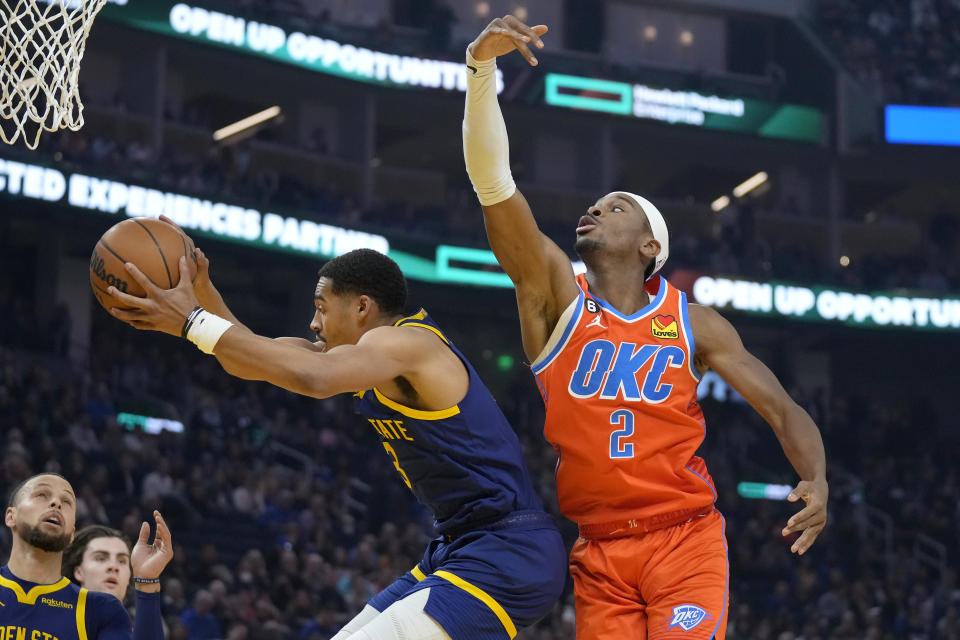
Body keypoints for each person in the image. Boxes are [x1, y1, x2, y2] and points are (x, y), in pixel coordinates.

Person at [462, 15, 829, 640]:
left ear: (649, 244)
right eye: (594, 204)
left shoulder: (694, 325)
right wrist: (480, 74)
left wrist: (817, 479)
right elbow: (495, 187)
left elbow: (782, 407)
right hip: (599, 550)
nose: (594, 209)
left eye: (617, 206)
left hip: (683, 538)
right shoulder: (554, 298)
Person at [105, 239, 566, 640]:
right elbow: (250, 357)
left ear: (362, 307)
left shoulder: (406, 345)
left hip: (510, 552)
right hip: (461, 548)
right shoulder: (363, 355)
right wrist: (201, 303)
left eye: (322, 307)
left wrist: (193, 321)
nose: (313, 322)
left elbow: (313, 378)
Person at [2, 473, 173, 640]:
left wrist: (146, 582)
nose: (56, 503)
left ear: (71, 534)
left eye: (67, 501)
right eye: (41, 494)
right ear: (11, 516)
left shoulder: (99, 609)